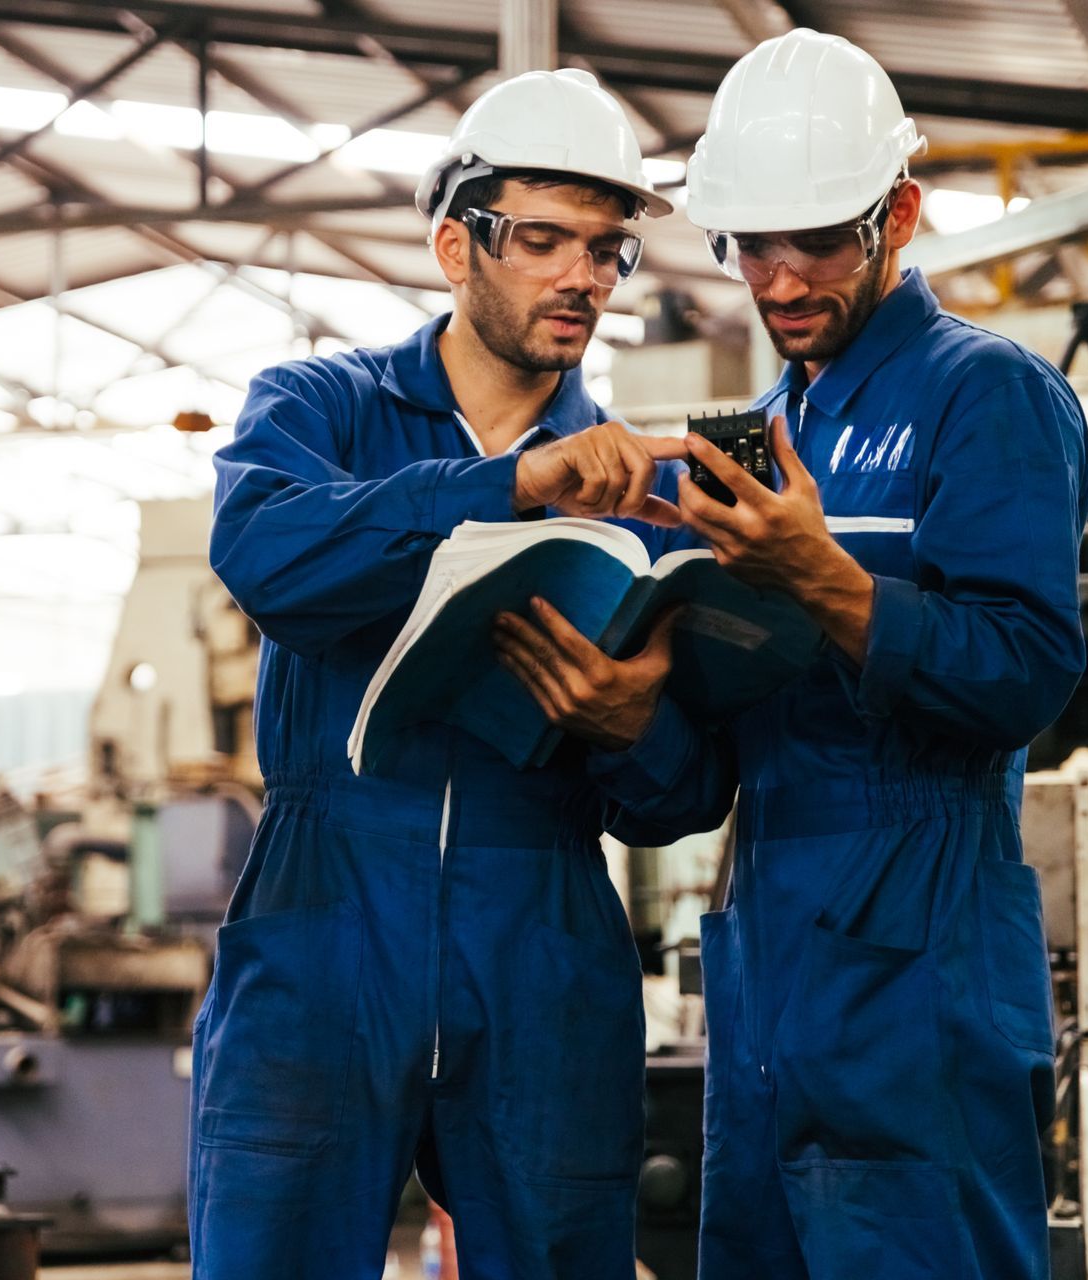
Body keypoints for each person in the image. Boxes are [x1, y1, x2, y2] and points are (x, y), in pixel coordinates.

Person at [503, 28, 1088, 1279]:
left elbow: (1029, 671)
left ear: (902, 214)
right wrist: (628, 709)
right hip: (769, 960)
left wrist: (817, 573)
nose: (777, 279)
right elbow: (705, 773)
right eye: (749, 244)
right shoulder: (763, 431)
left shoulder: (986, 395)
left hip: (921, 965)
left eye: (815, 239)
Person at [195, 67, 735, 1280]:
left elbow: (677, 800)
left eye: (605, 251)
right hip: (323, 916)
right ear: (456, 243)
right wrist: (512, 487)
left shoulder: (643, 500)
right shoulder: (320, 409)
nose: (581, 277)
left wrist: (633, 721)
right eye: (544, 239)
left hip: (539, 930)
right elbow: (271, 558)